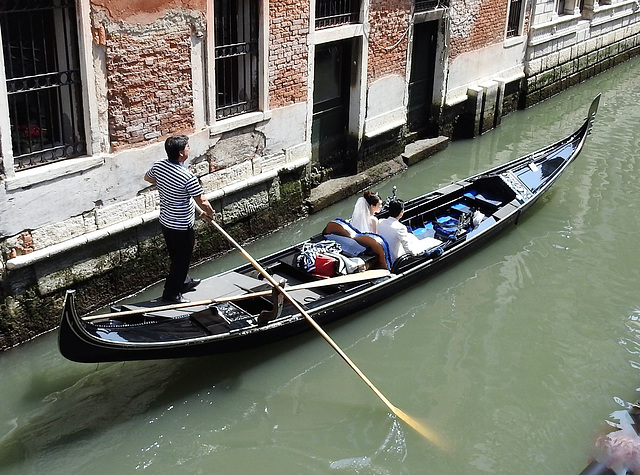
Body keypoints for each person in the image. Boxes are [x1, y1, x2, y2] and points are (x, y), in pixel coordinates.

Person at [144, 135, 215, 304]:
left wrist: (165, 183)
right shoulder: (187, 176)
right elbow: (202, 201)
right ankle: (171, 294)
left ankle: (184, 282)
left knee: (175, 255)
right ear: (182, 153)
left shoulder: (160, 165)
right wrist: (210, 214)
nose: (190, 148)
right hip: (181, 226)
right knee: (181, 260)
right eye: (188, 147)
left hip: (166, 222)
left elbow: (148, 178)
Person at [377, 200, 441, 264]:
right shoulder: (400, 228)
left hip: (385, 255)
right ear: (401, 212)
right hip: (396, 259)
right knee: (431, 241)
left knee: (410, 236)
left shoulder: (380, 221)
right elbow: (408, 250)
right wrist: (421, 254)